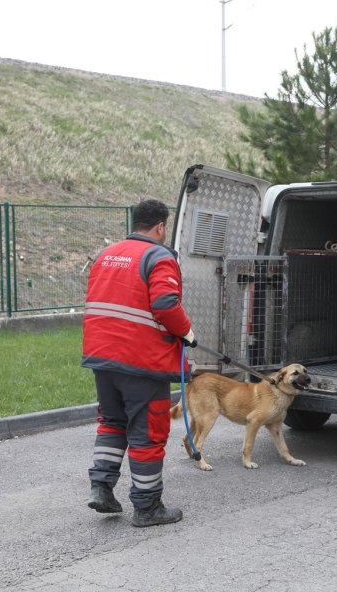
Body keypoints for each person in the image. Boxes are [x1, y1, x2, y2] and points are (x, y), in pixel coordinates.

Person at [81, 199, 196, 527]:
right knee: (148, 431)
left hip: (102, 357)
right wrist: (187, 333)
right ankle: (147, 507)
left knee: (113, 422)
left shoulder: (106, 255)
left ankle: (102, 489)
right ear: (161, 227)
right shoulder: (158, 256)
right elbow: (165, 304)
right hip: (142, 361)